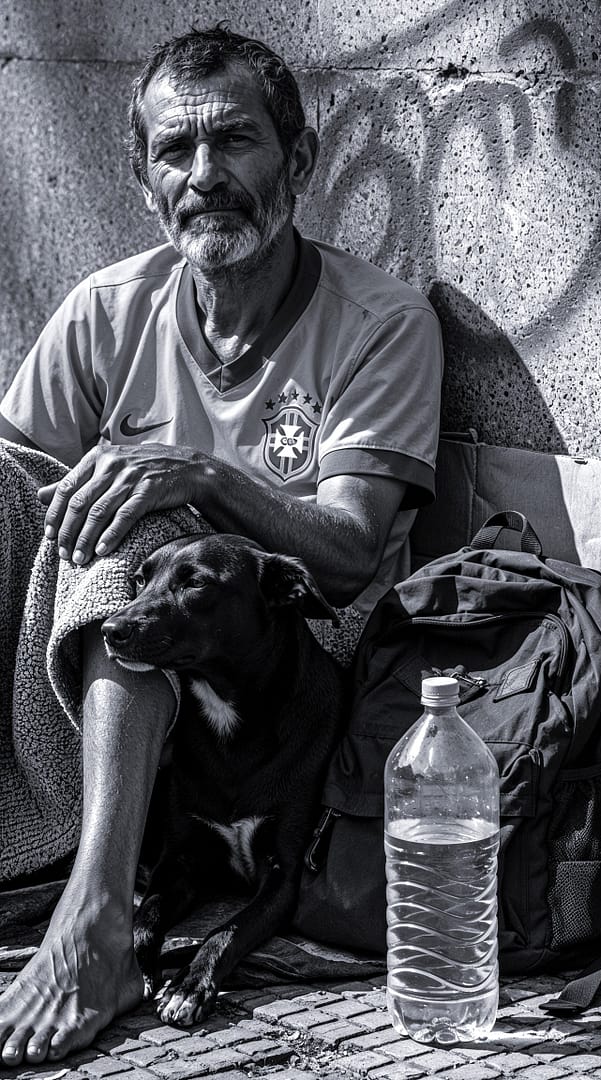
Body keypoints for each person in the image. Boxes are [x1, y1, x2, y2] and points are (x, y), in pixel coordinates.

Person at [0, 24, 442, 1066]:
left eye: (235, 142)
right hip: (104, 669)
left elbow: (343, 554)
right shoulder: (110, 307)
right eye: (173, 152)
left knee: (144, 524)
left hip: (285, 678)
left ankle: (100, 920)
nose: (204, 177)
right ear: (144, 178)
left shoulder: (382, 322)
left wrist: (199, 478)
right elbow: (15, 491)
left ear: (298, 159)